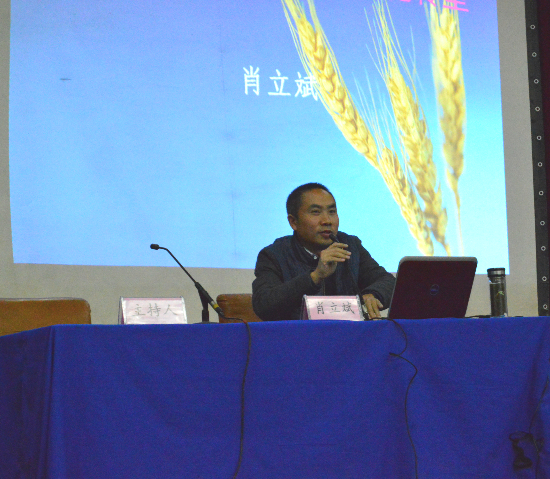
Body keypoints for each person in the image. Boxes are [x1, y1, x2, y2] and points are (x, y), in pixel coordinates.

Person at [252, 183, 395, 321]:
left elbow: (388, 281)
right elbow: (264, 305)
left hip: (348, 334)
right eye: (316, 212)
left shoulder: (349, 246)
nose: (327, 221)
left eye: (332, 212)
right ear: (293, 222)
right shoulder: (274, 255)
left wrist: (373, 294)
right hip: (298, 335)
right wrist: (315, 276)